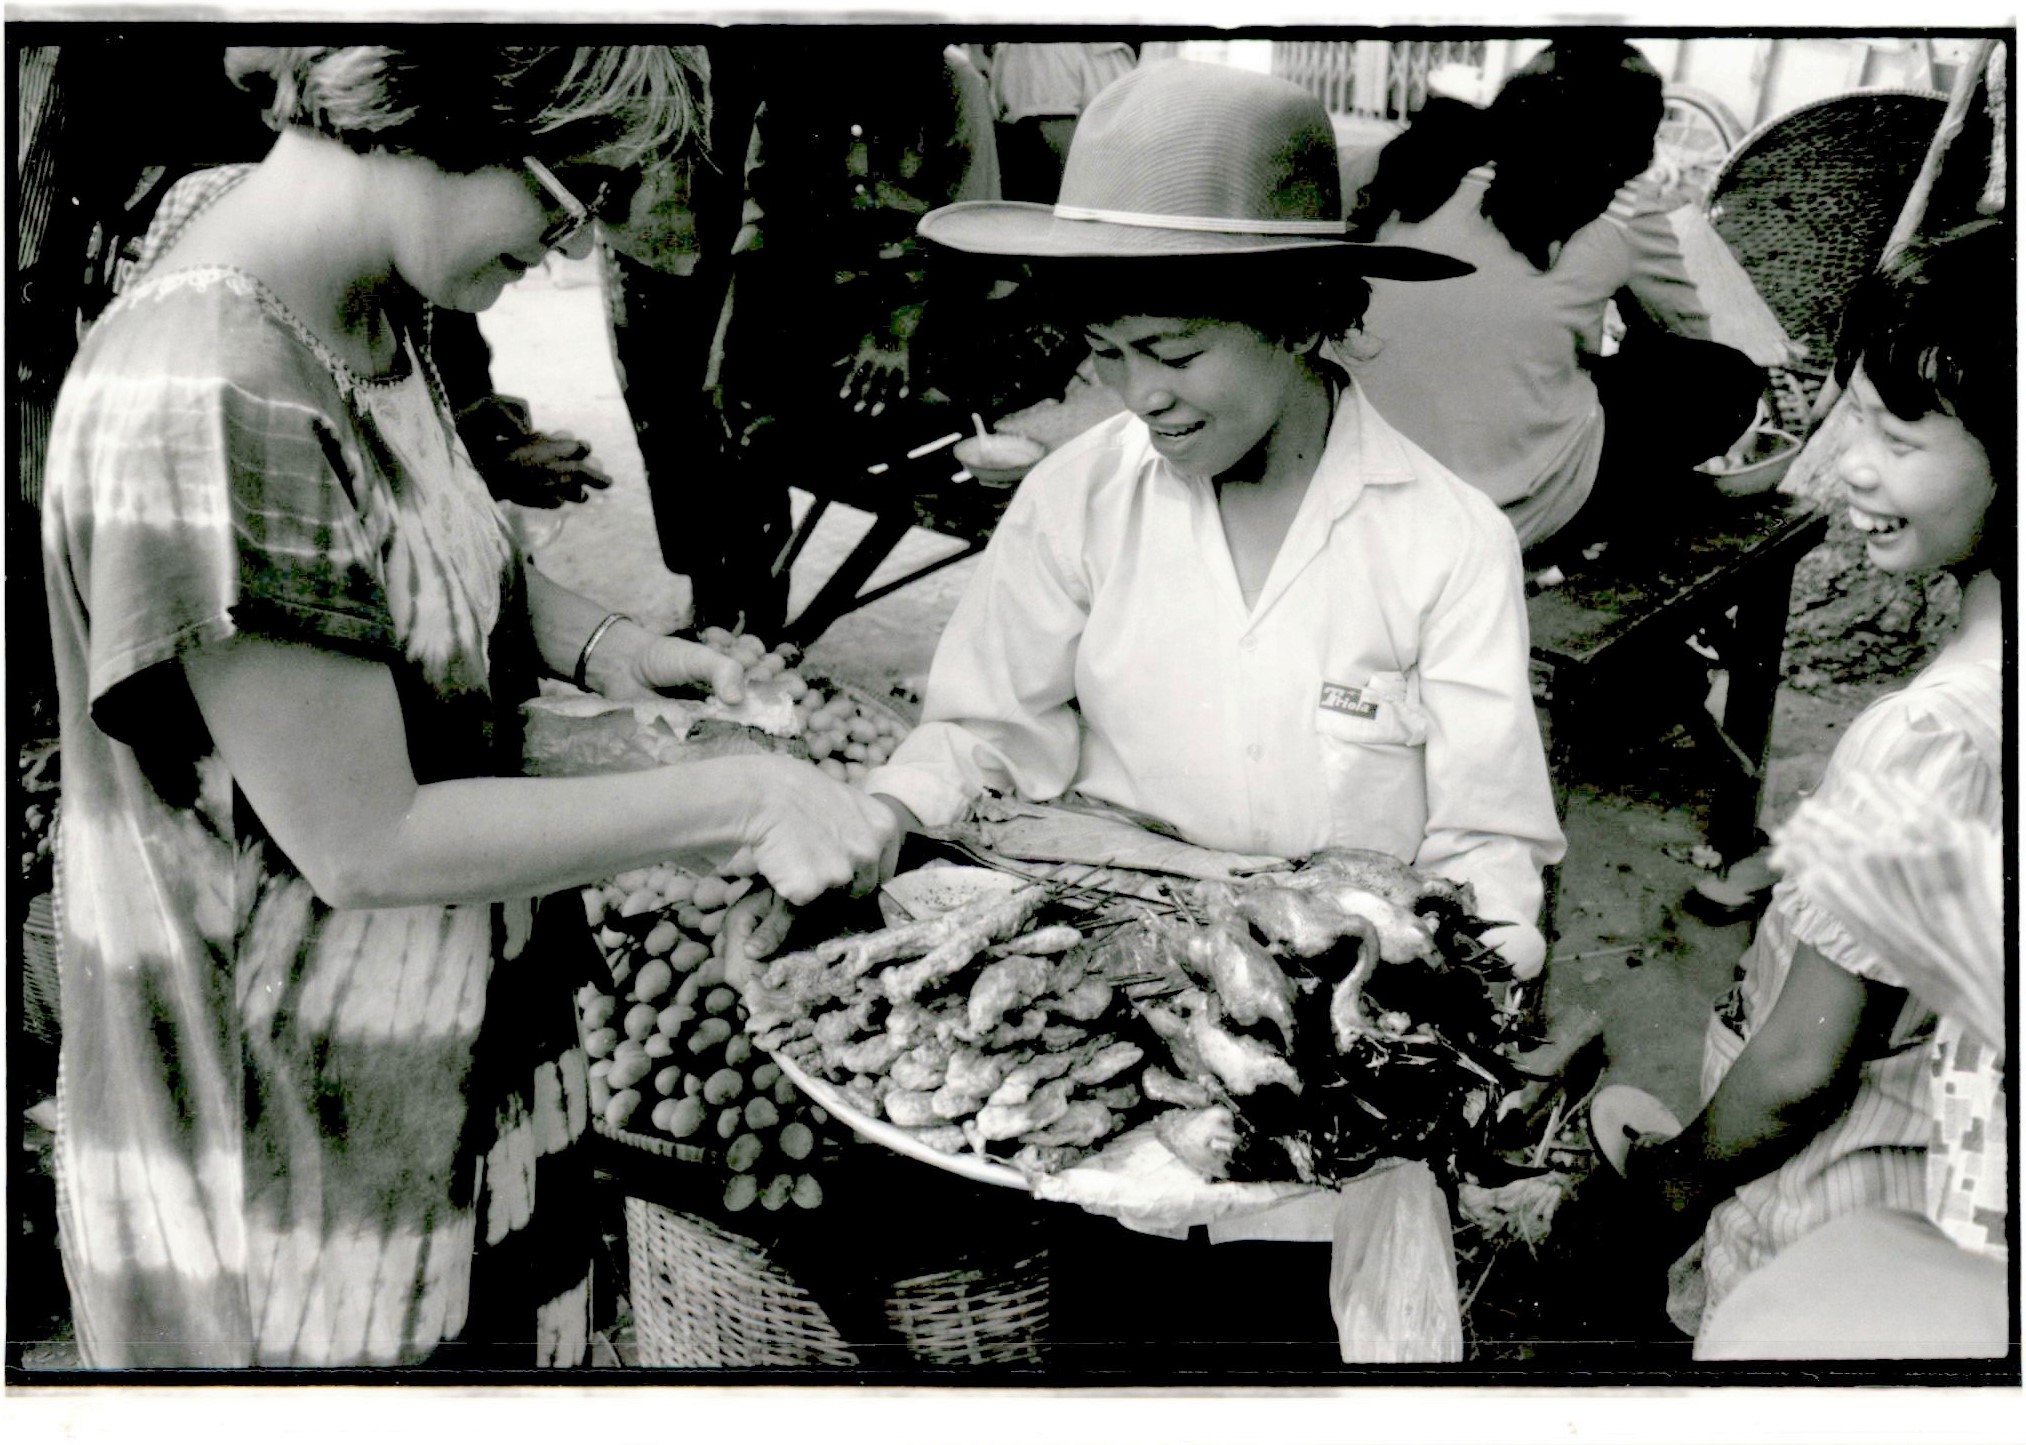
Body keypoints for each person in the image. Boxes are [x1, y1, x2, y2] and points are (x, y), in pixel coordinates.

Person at [40, 43, 895, 1369]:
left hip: (453, 1097)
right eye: (569, 195)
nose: (571, 245)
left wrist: (604, 643)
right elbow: (364, 840)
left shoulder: (357, 290)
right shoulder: (211, 387)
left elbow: (402, 542)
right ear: (436, 114)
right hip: (299, 1177)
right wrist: (740, 798)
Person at [858, 60, 1565, 1360]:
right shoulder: (1078, 499)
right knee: (1113, 1367)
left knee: (1290, 1371)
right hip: (1117, 1091)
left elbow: (1489, 845)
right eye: (1109, 353)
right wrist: (882, 814)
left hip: (1327, 1131)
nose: (1142, 394)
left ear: (1300, 312)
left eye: (1175, 350)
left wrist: (1438, 1006)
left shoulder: (1441, 541)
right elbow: (980, 731)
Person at [1578, 219, 2010, 1358]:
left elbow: (1796, 1069)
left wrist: (1672, 1183)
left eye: (1895, 430)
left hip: (1847, 1198)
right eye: (1848, 415)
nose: (1843, 463)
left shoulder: (1929, 732)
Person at [1348, 40, 1764, 560]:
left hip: (1362, 501)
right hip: (1509, 520)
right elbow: (1686, 339)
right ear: (1632, 145)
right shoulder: (1620, 210)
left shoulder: (1403, 170)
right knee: (1725, 379)